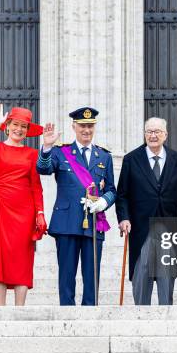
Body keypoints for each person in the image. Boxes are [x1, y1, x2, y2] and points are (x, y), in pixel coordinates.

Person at [37, 107, 116, 306]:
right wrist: (46, 146)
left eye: (90, 126)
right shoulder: (60, 152)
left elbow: (112, 189)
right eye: (82, 125)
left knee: (91, 276)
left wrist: (103, 202)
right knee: (66, 275)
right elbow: (43, 169)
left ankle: (89, 314)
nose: (86, 130)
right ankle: (67, 313)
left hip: (93, 222)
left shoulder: (104, 156)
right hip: (66, 221)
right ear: (74, 126)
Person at [116, 117, 177, 305]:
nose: (153, 135)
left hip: (168, 225)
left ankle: (167, 317)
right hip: (140, 226)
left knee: (166, 276)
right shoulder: (131, 159)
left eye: (157, 132)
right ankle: (140, 317)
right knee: (142, 274)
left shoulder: (176, 159)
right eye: (149, 131)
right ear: (144, 134)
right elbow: (122, 194)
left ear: (165, 135)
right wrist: (124, 218)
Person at [0, 104, 46, 306]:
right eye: (15, 124)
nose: (19, 129)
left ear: (28, 131)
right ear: (7, 126)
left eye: (24, 126)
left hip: (24, 211)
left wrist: (40, 212)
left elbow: (36, 186)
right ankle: (0, 310)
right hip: (0, 207)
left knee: (22, 258)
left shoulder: (32, 153)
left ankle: (20, 310)